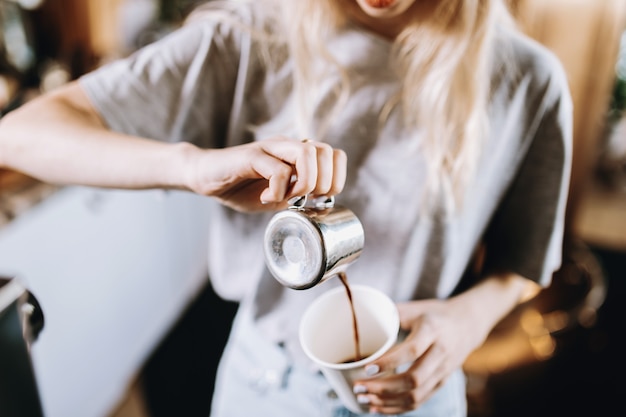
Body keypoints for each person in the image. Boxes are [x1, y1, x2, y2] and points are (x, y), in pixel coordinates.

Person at [0, 0, 572, 415]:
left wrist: (466, 322)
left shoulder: (527, 79)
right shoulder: (249, 34)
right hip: (266, 386)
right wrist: (190, 168)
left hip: (416, 386)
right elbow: (20, 136)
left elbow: (522, 264)